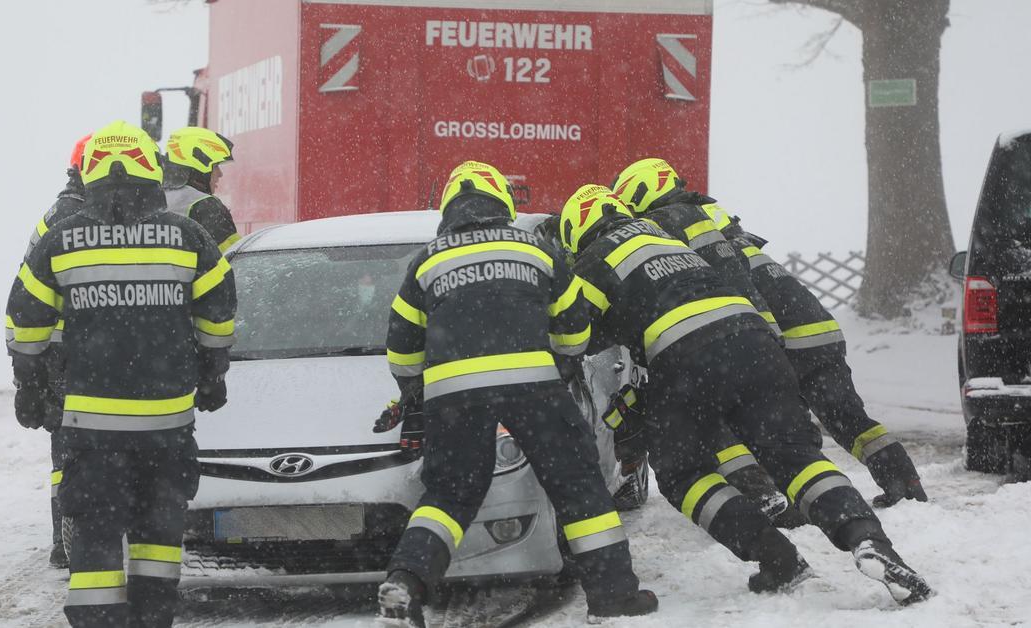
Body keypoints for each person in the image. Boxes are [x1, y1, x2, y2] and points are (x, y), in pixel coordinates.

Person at [559, 183, 932, 605]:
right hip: (756, 344)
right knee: (797, 459)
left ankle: (775, 556)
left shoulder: (593, 261)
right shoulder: (664, 236)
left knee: (684, 475)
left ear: (576, 233)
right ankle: (869, 540)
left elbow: (577, 335)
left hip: (687, 359)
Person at [375, 161, 657, 626]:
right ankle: (613, 595)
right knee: (577, 485)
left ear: (450, 208)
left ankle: (407, 582)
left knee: (449, 495)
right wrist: (560, 360)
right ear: (502, 202)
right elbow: (575, 331)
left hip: (453, 394)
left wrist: (414, 391)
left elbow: (403, 348)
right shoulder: (536, 248)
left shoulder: (427, 260)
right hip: (534, 387)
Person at [5, 120, 237, 627]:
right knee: (159, 534)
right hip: (167, 426)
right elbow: (219, 311)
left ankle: (98, 620)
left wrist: (31, 386)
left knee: (95, 535)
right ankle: (153, 618)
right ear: (151, 170)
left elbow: (25, 319)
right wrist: (212, 372)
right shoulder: (188, 236)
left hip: (91, 430)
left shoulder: (61, 240)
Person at [702, 202, 928, 506]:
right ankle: (905, 482)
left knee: (782, 430)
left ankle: (813, 495)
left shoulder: (725, 258)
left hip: (790, 345)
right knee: (849, 419)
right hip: (824, 338)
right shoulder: (755, 253)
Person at [8, 132, 91, 569]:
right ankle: (66, 540)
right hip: (64, 350)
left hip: (53, 348)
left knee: (65, 448)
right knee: (70, 447)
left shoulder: (61, 211)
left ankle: (65, 538)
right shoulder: (73, 217)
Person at [162, 126, 241, 254]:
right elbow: (233, 256)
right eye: (216, 166)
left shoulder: (154, 199)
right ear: (200, 164)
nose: (220, 174)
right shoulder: (205, 205)